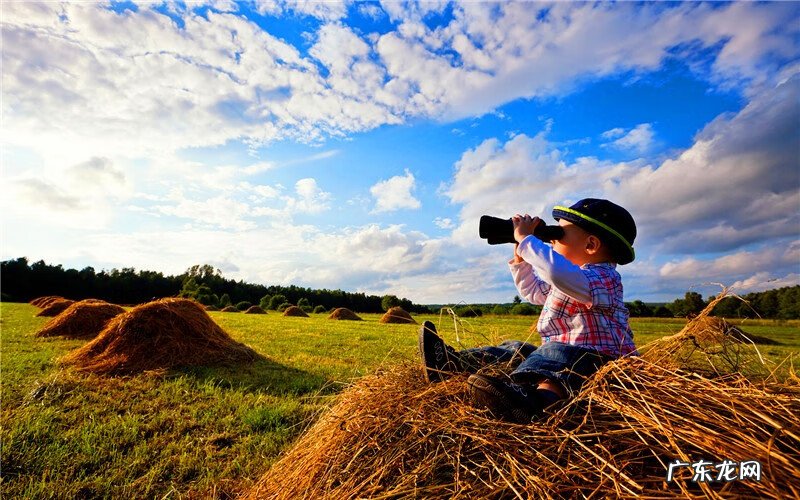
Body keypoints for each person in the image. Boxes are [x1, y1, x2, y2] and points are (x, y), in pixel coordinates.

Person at [419, 198, 638, 423]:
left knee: (558, 357)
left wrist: (527, 240)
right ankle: (451, 363)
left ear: (591, 245)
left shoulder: (603, 278)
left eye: (559, 235)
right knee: (516, 349)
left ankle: (537, 403)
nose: (552, 241)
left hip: (600, 361)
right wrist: (522, 259)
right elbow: (534, 292)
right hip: (563, 354)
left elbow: (555, 271)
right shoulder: (573, 280)